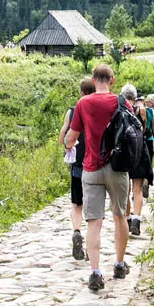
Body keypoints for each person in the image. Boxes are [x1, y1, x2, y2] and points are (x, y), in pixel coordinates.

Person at [64, 63, 131, 292]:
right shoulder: (121, 101)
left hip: (91, 169)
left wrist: (68, 145)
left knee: (94, 222)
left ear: (93, 81)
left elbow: (71, 137)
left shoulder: (83, 103)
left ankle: (94, 272)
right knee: (120, 216)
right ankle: (119, 265)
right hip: (117, 167)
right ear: (111, 80)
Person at [58, 77, 94, 261]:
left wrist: (67, 148)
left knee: (76, 203)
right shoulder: (97, 110)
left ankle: (77, 231)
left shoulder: (72, 112)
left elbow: (62, 136)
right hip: (95, 164)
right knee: (93, 208)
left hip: (77, 164)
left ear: (81, 92)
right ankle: (90, 244)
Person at [122, 84, 152, 237]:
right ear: (135, 97)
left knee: (125, 191)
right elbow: (144, 130)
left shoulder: (119, 111)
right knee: (137, 188)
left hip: (125, 154)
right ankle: (136, 220)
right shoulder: (141, 110)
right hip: (139, 151)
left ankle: (127, 220)